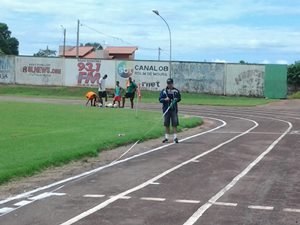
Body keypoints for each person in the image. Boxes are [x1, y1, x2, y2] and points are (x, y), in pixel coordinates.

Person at [159, 78, 181, 143]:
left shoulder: (176, 91)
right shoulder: (164, 91)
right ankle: (166, 137)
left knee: (174, 124)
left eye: (170, 83)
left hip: (173, 109)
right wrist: (165, 99)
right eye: (168, 84)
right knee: (166, 124)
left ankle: (175, 137)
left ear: (172, 83)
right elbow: (160, 99)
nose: (169, 85)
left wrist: (175, 100)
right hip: (166, 109)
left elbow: (179, 98)